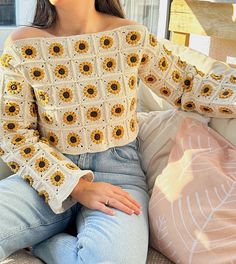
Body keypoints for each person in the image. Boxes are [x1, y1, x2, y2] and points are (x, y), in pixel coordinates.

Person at [0, 0, 236, 263]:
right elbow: (14, 134)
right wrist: (74, 186)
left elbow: (188, 86)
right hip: (47, 175)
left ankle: (44, 242)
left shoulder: (130, 36)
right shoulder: (21, 46)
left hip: (118, 177)